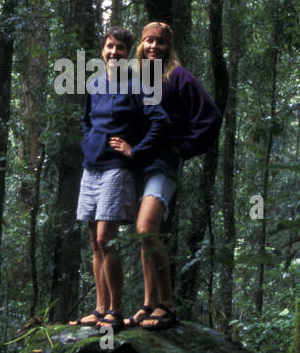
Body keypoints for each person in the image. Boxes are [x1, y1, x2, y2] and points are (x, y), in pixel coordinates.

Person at [110, 22, 221, 331]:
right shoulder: (134, 78)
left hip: (163, 164)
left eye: (160, 42)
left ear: (169, 48)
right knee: (143, 233)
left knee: (146, 227)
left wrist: (183, 146)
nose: (154, 47)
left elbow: (210, 117)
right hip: (135, 165)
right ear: (140, 45)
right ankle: (149, 304)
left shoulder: (178, 77)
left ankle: (168, 305)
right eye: (148, 41)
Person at [73, 26, 170, 333]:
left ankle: (115, 310)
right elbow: (87, 120)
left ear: (129, 54)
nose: (113, 52)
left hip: (117, 168)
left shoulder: (137, 84)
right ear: (103, 50)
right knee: (93, 242)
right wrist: (88, 143)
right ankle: (100, 309)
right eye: (109, 47)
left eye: (120, 48)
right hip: (92, 168)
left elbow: (159, 120)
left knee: (106, 239)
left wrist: (135, 149)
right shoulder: (96, 84)